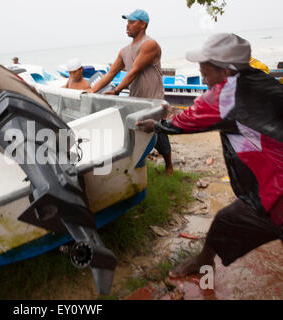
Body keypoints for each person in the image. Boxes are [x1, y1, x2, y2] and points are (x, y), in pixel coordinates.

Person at [135, 33, 283, 278]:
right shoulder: (261, 80)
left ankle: (202, 262)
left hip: (275, 191)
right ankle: (203, 261)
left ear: (225, 72)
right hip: (270, 186)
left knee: (231, 220)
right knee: (226, 220)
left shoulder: (224, 96)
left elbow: (185, 121)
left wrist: (157, 125)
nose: (203, 80)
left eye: (206, 74)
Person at [88, 9, 173, 175]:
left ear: (143, 24)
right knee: (136, 130)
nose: (127, 25)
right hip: (136, 99)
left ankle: (169, 165)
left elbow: (133, 71)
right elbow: (110, 74)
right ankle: (137, 163)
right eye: (127, 21)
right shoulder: (124, 51)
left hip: (153, 99)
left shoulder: (150, 45)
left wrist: (117, 90)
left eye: (131, 21)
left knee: (158, 132)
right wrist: (91, 90)